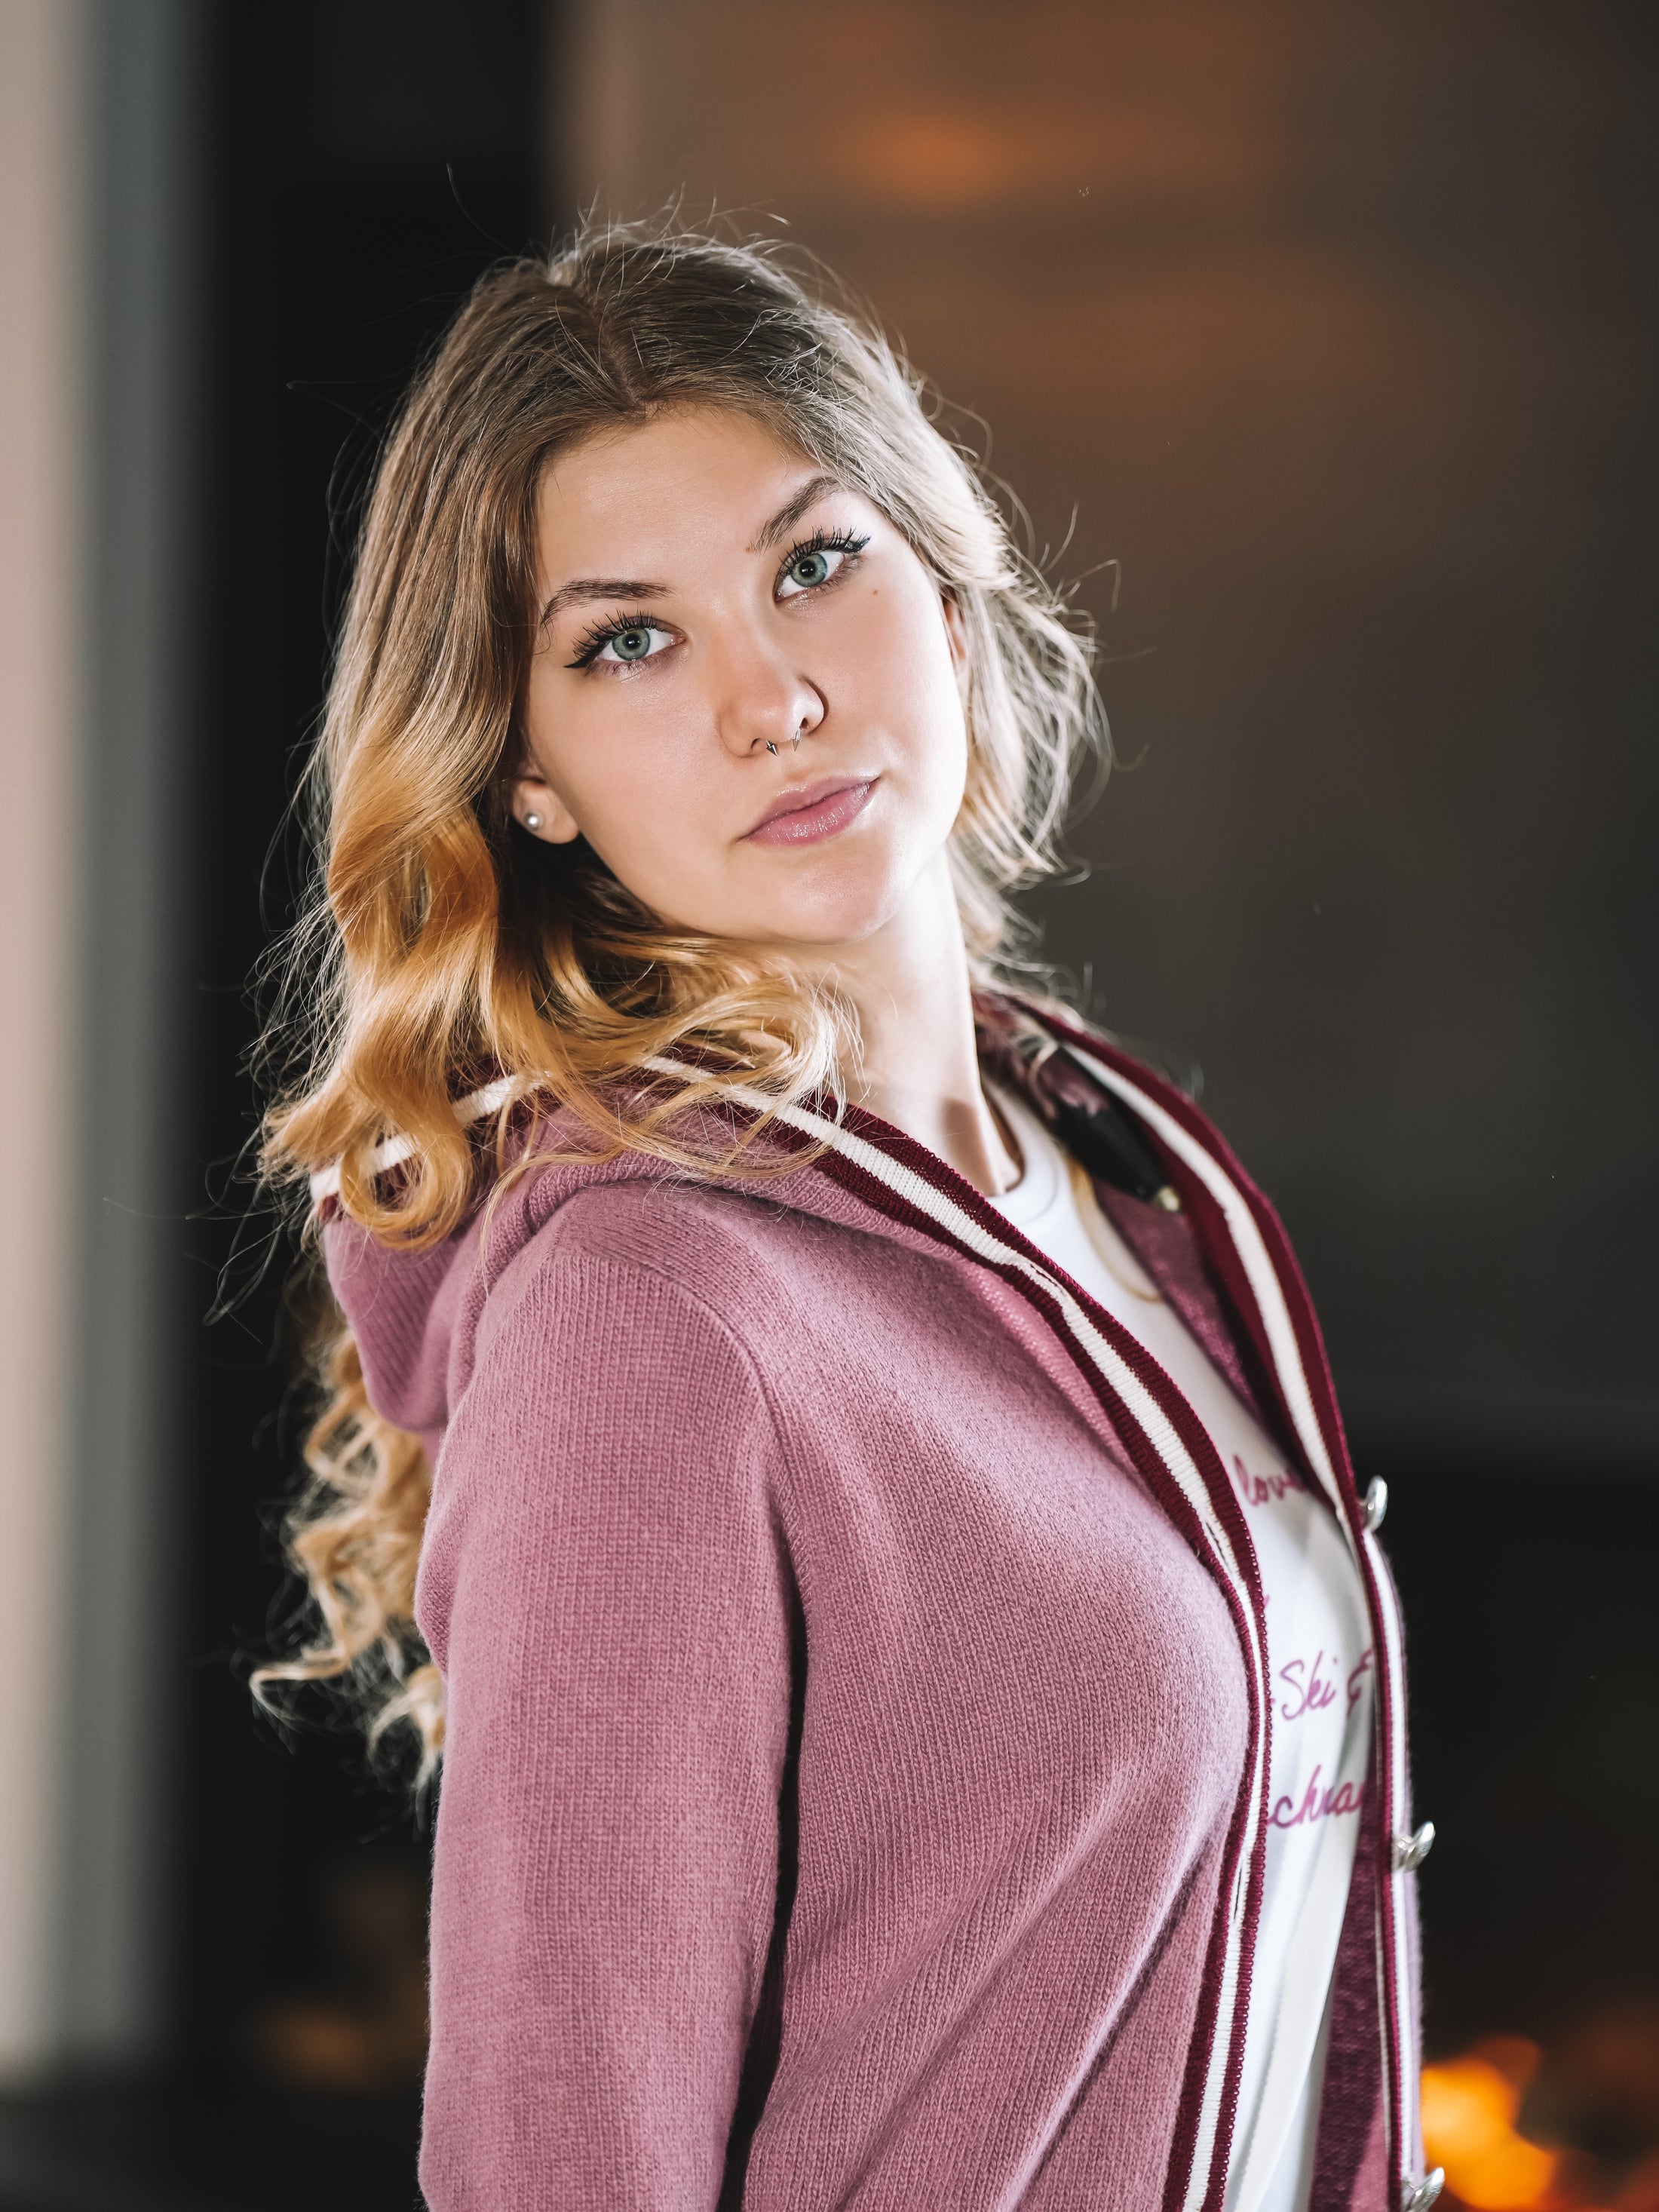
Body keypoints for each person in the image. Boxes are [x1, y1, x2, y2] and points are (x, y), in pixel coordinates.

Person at [258, 220, 1439, 2212]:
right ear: (528, 778)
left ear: (947, 599)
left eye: (813, 565)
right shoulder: (651, 1310)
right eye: (628, 642)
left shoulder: (1112, 1187)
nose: (774, 699)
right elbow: (566, 2164)